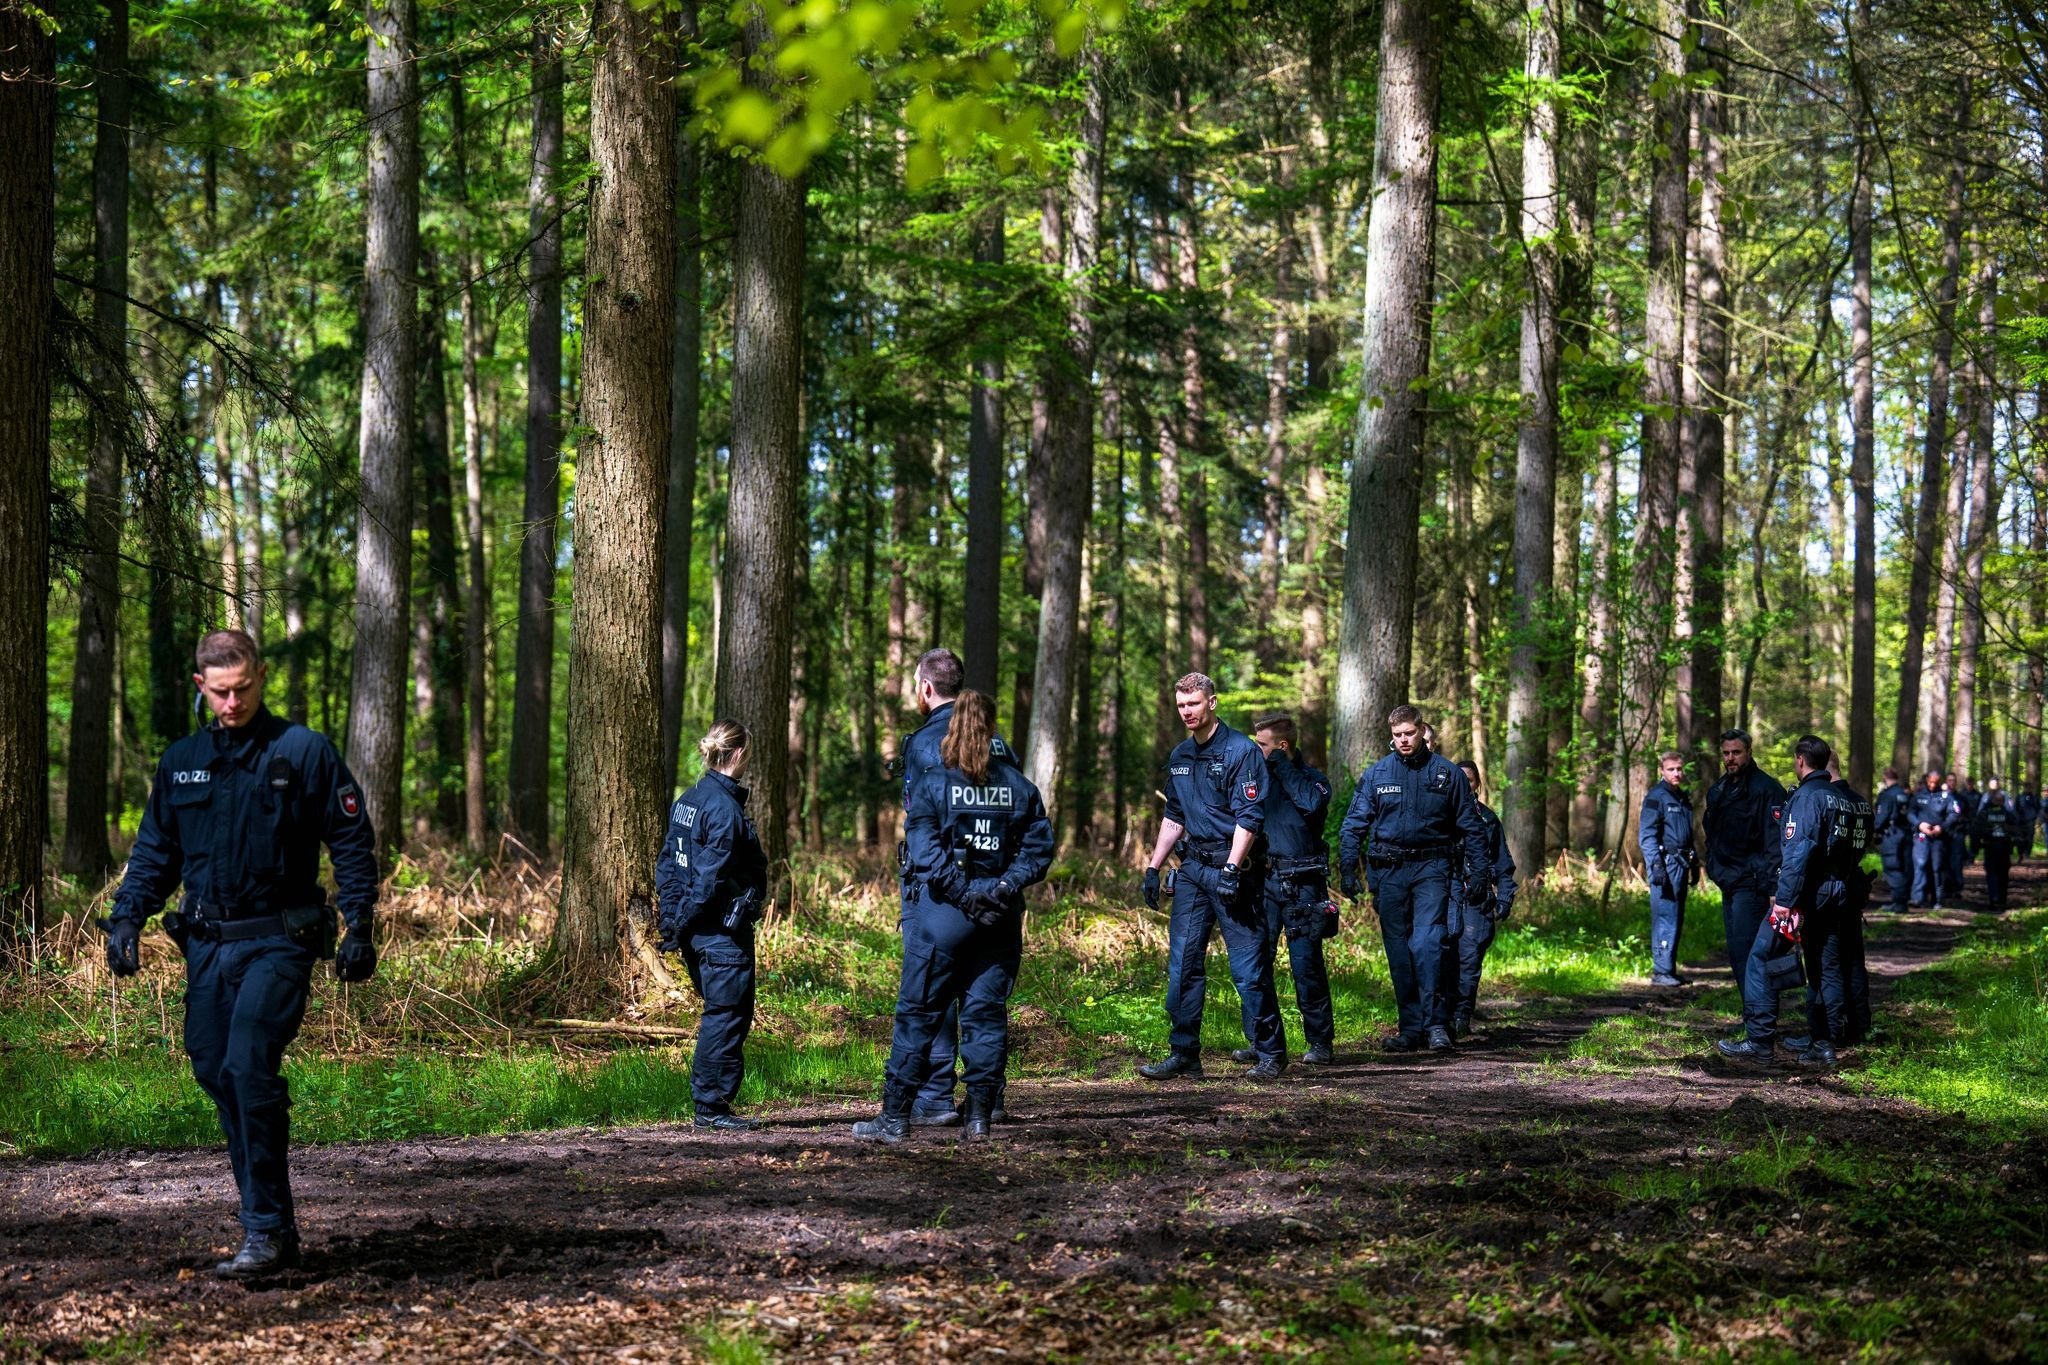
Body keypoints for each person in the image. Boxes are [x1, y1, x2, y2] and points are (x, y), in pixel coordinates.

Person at [101, 629, 379, 1276]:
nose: (233, 702)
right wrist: (126, 917)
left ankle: (266, 1231)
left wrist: (359, 922)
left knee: (250, 1061)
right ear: (201, 685)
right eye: (221, 691)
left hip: (281, 938)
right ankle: (271, 1221)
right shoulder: (182, 762)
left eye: (244, 687)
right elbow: (155, 853)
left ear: (261, 675)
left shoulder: (302, 751)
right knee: (216, 1069)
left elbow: (351, 839)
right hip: (207, 946)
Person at [854, 690, 1053, 1142]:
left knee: (919, 1010)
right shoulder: (1019, 786)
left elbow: (925, 855)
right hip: (998, 918)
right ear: (991, 727)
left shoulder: (933, 783)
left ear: (955, 724)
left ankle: (895, 1117)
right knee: (985, 1013)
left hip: (944, 915)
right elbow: (1038, 851)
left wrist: (965, 893)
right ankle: (980, 1117)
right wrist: (1001, 887)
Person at [1136, 672, 1284, 1080]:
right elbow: (1174, 816)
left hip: (1235, 870)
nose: (1187, 711)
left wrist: (1234, 868)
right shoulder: (1181, 755)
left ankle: (1270, 1053)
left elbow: (1250, 818)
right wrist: (1153, 866)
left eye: (1194, 704)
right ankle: (1184, 1053)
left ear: (1211, 703)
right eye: (1182, 705)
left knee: (1248, 969)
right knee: (1183, 965)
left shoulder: (1241, 752)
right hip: (1193, 871)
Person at [895, 648, 1020, 1126]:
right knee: (986, 991)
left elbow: (921, 822)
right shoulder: (997, 743)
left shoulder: (925, 743)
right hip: (996, 888)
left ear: (926, 688)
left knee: (932, 989)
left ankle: (934, 1096)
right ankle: (989, 1098)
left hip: (938, 888)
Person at [1335, 704, 1490, 1052]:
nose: (1404, 740)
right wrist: (1348, 869)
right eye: (1397, 735)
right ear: (1391, 736)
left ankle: (1437, 1025)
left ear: (1422, 732)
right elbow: (1353, 825)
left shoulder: (1447, 775)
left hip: (1432, 869)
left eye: (1409, 733)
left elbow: (1472, 827)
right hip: (1389, 871)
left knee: (1428, 943)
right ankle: (1411, 1028)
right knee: (1399, 950)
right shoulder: (1377, 775)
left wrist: (1479, 873)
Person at [1719, 737, 1864, 1067]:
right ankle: (1823, 1043)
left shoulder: (1807, 797)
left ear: (1800, 761)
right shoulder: (1839, 798)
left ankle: (1758, 1041)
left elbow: (1798, 853)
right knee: (1822, 967)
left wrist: (1784, 902)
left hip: (1806, 896)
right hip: (1837, 893)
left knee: (1759, 957)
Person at [655, 720, 770, 1133]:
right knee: (726, 1015)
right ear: (738, 754)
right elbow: (707, 879)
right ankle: (710, 1107)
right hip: (718, 933)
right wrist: (679, 923)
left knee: (724, 1013)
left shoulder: (690, 798)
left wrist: (673, 921)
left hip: (701, 930)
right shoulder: (722, 808)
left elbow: (667, 864)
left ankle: (713, 1105)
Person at [1239, 714, 1336, 1067]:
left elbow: (1311, 804)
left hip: (1304, 884)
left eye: (1262, 744)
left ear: (1282, 747)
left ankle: (1320, 1041)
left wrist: (1281, 765)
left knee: (1306, 964)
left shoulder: (1313, 780)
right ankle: (1260, 1040)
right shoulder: (1256, 780)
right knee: (1256, 962)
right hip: (1264, 882)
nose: (1256, 750)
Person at [1703, 729, 1787, 1013]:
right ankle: (1752, 1014)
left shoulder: (1767, 789)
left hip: (1754, 885)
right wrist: (1713, 868)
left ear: (1749, 753)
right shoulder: (1719, 791)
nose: (1730, 758)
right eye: (1726, 753)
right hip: (1728, 881)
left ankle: (1760, 1018)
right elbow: (1711, 835)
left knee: (1753, 954)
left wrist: (1774, 888)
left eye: (1736, 752)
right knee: (1738, 954)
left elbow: (1776, 842)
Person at [1436, 760, 1516, 1039]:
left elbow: (1504, 864)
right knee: (1442, 957)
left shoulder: (1488, 819)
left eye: (1469, 780)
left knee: (1469, 959)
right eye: (1459, 779)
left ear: (1477, 784)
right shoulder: (1440, 816)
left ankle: (1461, 1016)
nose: (1464, 784)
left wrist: (1504, 896)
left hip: (1477, 899)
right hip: (1446, 896)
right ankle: (1438, 1019)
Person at [1637, 751, 1699, 987]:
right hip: (1665, 864)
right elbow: (1647, 835)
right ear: (1662, 771)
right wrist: (1656, 866)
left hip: (1681, 863)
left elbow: (1687, 834)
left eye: (1679, 769)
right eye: (1671, 769)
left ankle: (1669, 969)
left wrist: (1694, 864)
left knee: (1676, 916)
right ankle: (1661, 971)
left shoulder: (1682, 798)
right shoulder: (1656, 797)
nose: (1676, 773)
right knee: (1665, 915)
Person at [1906, 771, 1958, 910]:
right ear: (1927, 780)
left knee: (1937, 868)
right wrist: (1919, 824)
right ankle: (1917, 898)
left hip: (1939, 838)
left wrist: (1942, 827)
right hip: (1921, 836)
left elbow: (1953, 814)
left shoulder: (1946, 796)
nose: (1932, 785)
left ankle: (1938, 899)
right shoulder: (1918, 795)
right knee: (1920, 865)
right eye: (1930, 782)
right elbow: (1910, 813)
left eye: (1935, 782)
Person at [1970, 780, 2021, 913]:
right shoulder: (2006, 814)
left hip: (1997, 847)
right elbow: (2017, 831)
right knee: (1999, 874)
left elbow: (1976, 831)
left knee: (1996, 874)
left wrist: (1974, 848)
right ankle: (1998, 900)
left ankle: (1996, 900)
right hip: (1995, 847)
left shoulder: (1986, 813)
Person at [1873, 767, 1911, 913]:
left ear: (1884, 777)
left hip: (1891, 836)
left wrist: (1873, 829)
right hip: (1904, 834)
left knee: (1893, 868)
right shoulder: (1903, 793)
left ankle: (1899, 903)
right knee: (1902, 867)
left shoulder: (1886, 795)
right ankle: (1900, 900)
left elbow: (1881, 817)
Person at [1942, 772, 1975, 904]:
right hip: (1944, 833)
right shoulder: (1941, 797)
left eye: (1953, 780)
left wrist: (1964, 826)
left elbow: (1968, 814)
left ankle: (1957, 887)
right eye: (1949, 780)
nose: (1951, 783)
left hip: (1957, 833)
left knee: (1956, 861)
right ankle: (1946, 888)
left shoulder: (1961, 798)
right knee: (1944, 861)